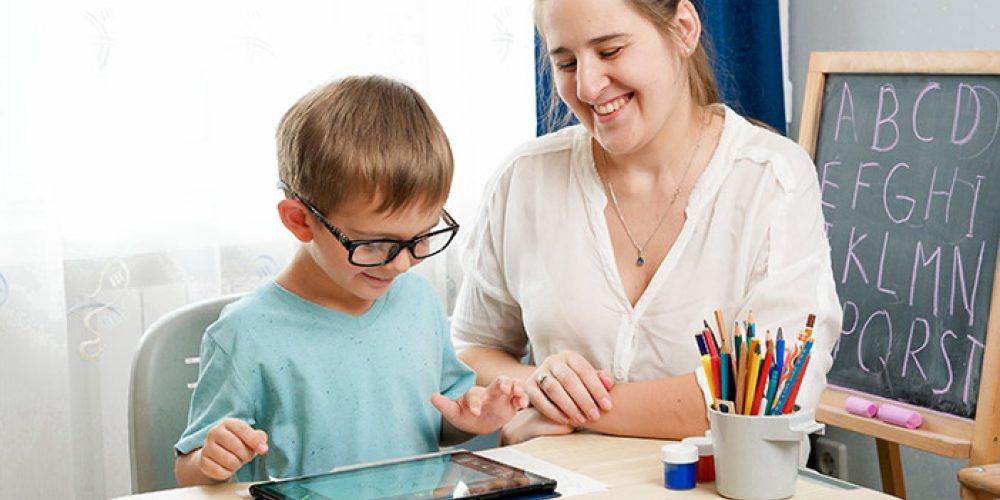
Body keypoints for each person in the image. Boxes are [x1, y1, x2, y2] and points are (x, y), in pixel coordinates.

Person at [451, 0, 840, 445]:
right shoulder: (524, 178)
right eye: (566, 62)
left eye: (611, 51)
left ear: (683, 29)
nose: (589, 85)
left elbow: (772, 394)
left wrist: (568, 405)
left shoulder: (772, 179)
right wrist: (539, 379)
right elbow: (468, 351)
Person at [174, 75, 528, 486]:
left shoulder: (418, 301)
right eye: (377, 244)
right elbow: (188, 472)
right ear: (301, 221)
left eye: (422, 237)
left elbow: (443, 418)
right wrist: (211, 459)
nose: (402, 265)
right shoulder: (244, 334)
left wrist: (472, 418)